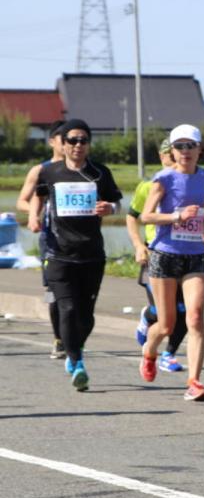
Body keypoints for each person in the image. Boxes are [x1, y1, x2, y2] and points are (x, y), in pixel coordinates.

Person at [27, 119, 121, 391]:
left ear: (89, 144)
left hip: (91, 254)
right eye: (72, 140)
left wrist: (110, 209)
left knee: (86, 316)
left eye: (83, 140)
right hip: (58, 253)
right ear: (63, 144)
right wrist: (34, 216)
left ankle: (74, 346)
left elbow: (116, 202)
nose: (78, 145)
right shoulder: (49, 172)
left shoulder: (100, 173)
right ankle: (77, 362)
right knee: (67, 308)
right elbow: (38, 196)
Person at [138, 124, 204, 401]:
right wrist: (175, 217)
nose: (185, 151)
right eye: (179, 146)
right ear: (172, 150)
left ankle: (194, 381)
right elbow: (145, 216)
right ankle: (150, 349)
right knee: (167, 325)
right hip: (164, 254)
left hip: (194, 253)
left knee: (195, 316)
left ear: (199, 150)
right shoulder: (163, 179)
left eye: (190, 146)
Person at [128, 138, 189, 372]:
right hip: (156, 252)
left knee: (184, 311)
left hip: (186, 253)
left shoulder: (192, 179)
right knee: (163, 312)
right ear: (161, 155)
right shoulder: (149, 185)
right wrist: (137, 246)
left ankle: (169, 354)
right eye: (169, 153)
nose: (174, 158)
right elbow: (132, 216)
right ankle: (148, 316)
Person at [17, 121, 65, 359]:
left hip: (80, 241)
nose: (69, 144)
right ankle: (58, 337)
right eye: (63, 139)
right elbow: (22, 200)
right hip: (50, 239)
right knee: (52, 290)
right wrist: (36, 214)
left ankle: (73, 335)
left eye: (76, 139)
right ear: (52, 141)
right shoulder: (41, 170)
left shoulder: (85, 170)